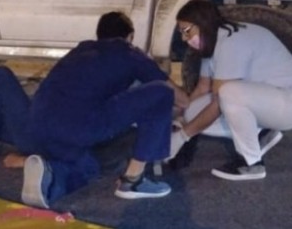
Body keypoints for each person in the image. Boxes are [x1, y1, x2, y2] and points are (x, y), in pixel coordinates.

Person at [21, 12, 186, 208]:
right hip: (78, 128)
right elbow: (181, 100)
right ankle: (132, 181)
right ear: (130, 36)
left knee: (88, 166)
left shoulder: (80, 50)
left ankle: (51, 177)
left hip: (35, 127)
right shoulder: (130, 53)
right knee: (161, 93)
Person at [168, 0, 292, 181]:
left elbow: (218, 102)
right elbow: (202, 88)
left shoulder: (231, 41)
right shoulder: (213, 42)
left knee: (228, 94)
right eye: (182, 33)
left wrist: (183, 136)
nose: (184, 38)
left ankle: (251, 163)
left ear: (203, 23)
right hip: (269, 100)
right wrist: (181, 120)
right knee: (193, 112)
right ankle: (260, 134)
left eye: (187, 31)